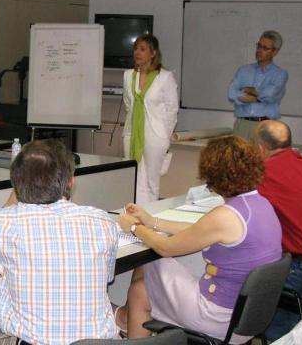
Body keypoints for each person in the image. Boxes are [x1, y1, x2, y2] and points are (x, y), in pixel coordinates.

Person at [117, 136, 282, 343]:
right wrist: (153, 222)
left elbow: (166, 248)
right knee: (143, 285)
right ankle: (128, 319)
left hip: (219, 318)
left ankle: (126, 319)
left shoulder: (226, 216)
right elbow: (198, 231)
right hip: (249, 317)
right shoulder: (260, 204)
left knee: (146, 271)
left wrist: (134, 227)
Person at [0, 139, 119, 345]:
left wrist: (10, 203)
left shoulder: (1, 223)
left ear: (15, 185)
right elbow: (107, 276)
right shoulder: (103, 221)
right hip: (100, 344)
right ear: (70, 182)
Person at [254, 120, 302, 341]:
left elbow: (244, 214)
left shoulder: (266, 173)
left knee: (240, 279)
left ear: (260, 148)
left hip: (299, 270)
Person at [122, 35, 179, 204]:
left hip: (156, 135)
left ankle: (150, 216)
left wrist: (164, 135)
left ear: (153, 53)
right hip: (131, 133)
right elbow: (128, 103)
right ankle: (134, 214)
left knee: (151, 181)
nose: (137, 53)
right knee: (133, 176)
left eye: (142, 49)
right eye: (135, 49)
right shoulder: (128, 75)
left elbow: (172, 109)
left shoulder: (165, 77)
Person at [228, 30, 288, 140]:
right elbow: (232, 93)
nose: (259, 50)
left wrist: (250, 93)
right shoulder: (244, 70)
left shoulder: (280, 74)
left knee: (263, 158)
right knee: (239, 157)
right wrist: (257, 97)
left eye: (265, 48)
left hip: (266, 126)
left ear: (275, 52)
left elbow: (270, 95)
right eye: (259, 46)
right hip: (242, 125)